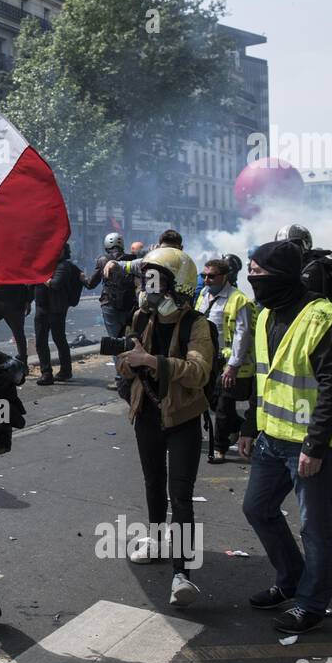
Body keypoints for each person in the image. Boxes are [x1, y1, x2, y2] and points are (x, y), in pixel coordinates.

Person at [239, 240, 332, 635]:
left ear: (281, 275)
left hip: (309, 445)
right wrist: (249, 426)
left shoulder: (325, 318)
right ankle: (290, 578)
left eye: (258, 273)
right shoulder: (264, 316)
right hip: (271, 438)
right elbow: (268, 377)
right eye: (251, 272)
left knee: (315, 528)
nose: (252, 279)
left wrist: (316, 445)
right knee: (257, 509)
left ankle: (311, 604)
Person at [118, 247, 212, 607]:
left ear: (179, 287)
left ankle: (182, 573)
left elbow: (199, 373)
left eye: (156, 282)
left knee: (181, 495)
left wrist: (151, 360)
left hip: (183, 418)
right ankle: (157, 542)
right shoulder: (141, 318)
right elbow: (125, 367)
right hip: (148, 415)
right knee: (153, 483)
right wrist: (129, 361)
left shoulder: (197, 325)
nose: (148, 289)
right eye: (147, 280)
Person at [196, 257, 254, 462]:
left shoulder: (239, 300)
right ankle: (241, 427)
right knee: (213, 403)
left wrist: (233, 366)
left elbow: (243, 334)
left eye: (211, 276)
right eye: (204, 276)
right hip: (209, 361)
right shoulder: (203, 294)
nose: (206, 280)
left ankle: (219, 448)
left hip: (229, 363)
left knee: (222, 407)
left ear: (225, 277)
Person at [83, 233, 138, 390]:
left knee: (115, 341)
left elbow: (91, 284)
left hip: (110, 306)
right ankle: (133, 374)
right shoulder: (131, 258)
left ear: (107, 245)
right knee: (131, 340)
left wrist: (81, 277)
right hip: (130, 306)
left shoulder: (102, 260)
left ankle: (120, 377)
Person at [34, 243, 80, 385]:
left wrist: (42, 277)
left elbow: (56, 284)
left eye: (59, 250)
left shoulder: (63, 266)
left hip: (56, 309)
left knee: (59, 339)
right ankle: (46, 373)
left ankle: (66, 371)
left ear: (64, 252)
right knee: (40, 341)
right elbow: (32, 283)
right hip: (41, 308)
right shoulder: (45, 265)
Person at [0, 283, 32, 367]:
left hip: (15, 303)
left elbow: (28, 280)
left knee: (18, 333)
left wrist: (28, 300)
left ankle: (23, 362)